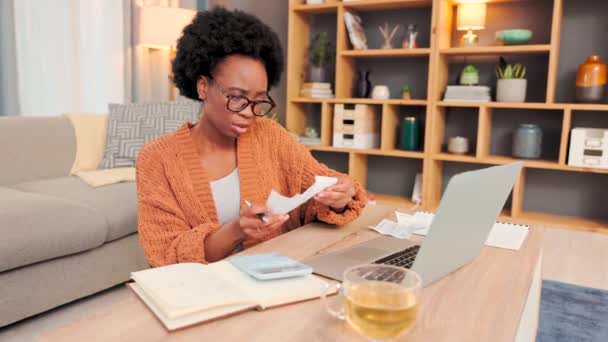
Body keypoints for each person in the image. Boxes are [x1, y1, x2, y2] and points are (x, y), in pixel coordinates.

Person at [136, 7, 366, 267]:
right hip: (205, 291)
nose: (249, 113)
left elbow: (318, 189)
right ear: (203, 87)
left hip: (276, 277)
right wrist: (236, 231)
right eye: (236, 97)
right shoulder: (157, 159)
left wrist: (340, 195)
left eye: (259, 100)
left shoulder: (271, 137)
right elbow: (167, 254)